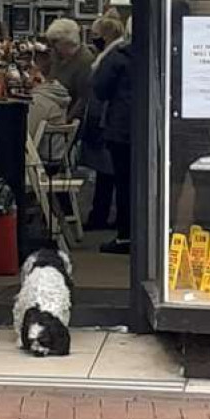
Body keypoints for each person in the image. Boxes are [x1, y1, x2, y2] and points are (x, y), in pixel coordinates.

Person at [92, 17, 134, 254]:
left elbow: (99, 87)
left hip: (121, 126)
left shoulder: (118, 56)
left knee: (124, 181)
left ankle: (125, 234)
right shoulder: (162, 51)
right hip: (154, 126)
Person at [83, 16, 125, 231]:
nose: (93, 39)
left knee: (108, 172)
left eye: (96, 35)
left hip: (109, 119)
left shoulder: (113, 56)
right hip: (110, 119)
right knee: (108, 172)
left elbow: (101, 87)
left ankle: (101, 215)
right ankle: (103, 215)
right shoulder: (113, 54)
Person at [44, 18, 94, 121]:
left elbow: (83, 99)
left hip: (68, 120)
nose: (52, 47)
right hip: (52, 114)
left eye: (55, 42)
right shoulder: (58, 58)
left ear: (67, 42)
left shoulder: (85, 61)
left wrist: (67, 121)